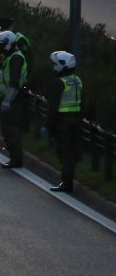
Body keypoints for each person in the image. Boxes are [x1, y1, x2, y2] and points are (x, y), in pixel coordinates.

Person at [0, 30, 28, 168]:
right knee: (7, 130)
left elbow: (14, 83)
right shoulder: (9, 57)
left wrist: (7, 101)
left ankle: (16, 159)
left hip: (13, 99)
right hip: (10, 98)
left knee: (10, 130)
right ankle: (14, 158)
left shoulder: (16, 58)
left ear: (7, 44)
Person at [45, 51, 82, 193]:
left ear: (63, 65)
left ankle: (67, 183)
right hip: (76, 120)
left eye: (54, 64)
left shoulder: (59, 82)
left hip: (63, 121)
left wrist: (48, 125)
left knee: (64, 151)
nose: (53, 67)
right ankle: (69, 179)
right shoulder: (77, 80)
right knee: (73, 151)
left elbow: (52, 107)